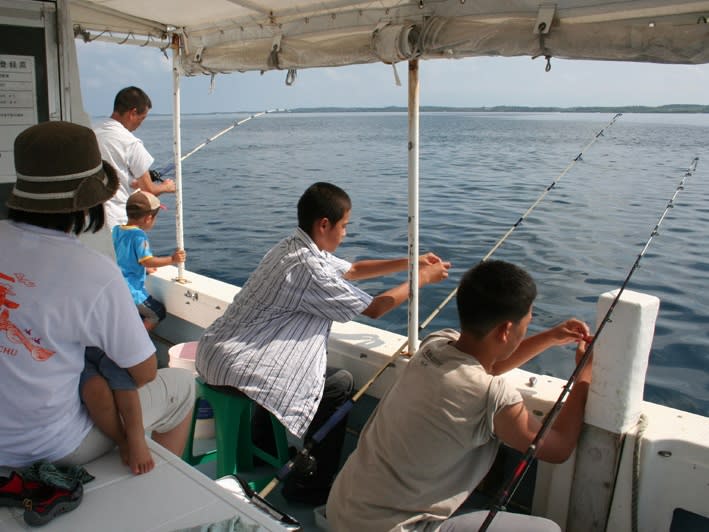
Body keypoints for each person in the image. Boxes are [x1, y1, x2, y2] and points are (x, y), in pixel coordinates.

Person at [196, 181, 451, 504]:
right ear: (324, 224)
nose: (345, 234)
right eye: (344, 226)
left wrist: (410, 262)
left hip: (216, 350)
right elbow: (374, 308)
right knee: (337, 384)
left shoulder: (292, 247)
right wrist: (422, 280)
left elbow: (354, 270)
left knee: (278, 369)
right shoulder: (308, 267)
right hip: (235, 364)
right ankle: (309, 486)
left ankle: (264, 447)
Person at [326, 260, 593, 532]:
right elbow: (557, 448)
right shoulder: (492, 395)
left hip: (341, 510)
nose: (531, 322)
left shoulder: (435, 345)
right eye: (528, 319)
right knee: (547, 530)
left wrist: (550, 337)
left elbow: (490, 364)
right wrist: (585, 376)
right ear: (505, 331)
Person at [0, 121, 194, 474]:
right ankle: (152, 487)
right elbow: (145, 371)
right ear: (88, 203)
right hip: (46, 445)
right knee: (181, 387)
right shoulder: (92, 271)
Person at [94, 86, 176, 228]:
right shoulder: (131, 143)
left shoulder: (91, 132)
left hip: (90, 218)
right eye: (142, 118)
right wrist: (166, 187)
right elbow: (149, 190)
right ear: (132, 113)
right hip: (116, 219)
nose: (140, 124)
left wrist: (132, 180)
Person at [113, 190, 186, 331]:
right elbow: (147, 261)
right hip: (131, 291)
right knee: (157, 313)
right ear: (148, 218)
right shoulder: (139, 235)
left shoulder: (117, 230)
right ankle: (135, 341)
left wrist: (144, 269)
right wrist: (172, 259)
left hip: (117, 287)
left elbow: (124, 256)